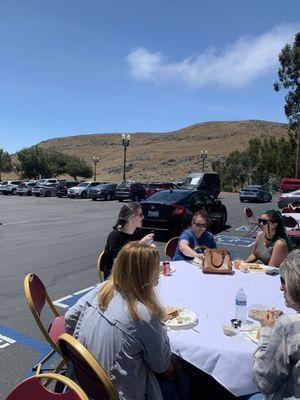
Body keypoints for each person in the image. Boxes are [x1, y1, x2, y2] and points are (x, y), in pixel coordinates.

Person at [65, 242, 187, 400]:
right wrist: (161, 329)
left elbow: (69, 317)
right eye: (156, 268)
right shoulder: (145, 314)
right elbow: (161, 365)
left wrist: (82, 350)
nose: (159, 273)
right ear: (146, 274)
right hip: (118, 393)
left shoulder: (101, 290)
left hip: (82, 383)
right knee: (185, 379)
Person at [253, 250, 300, 399]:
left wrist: (266, 330)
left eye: (283, 281)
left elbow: (263, 382)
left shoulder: (288, 326)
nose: (281, 287)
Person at [102, 201, 154, 279]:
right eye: (140, 215)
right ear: (131, 218)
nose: (143, 217)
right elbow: (119, 262)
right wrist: (140, 244)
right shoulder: (115, 237)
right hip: (116, 278)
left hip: (134, 274)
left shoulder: (138, 233)